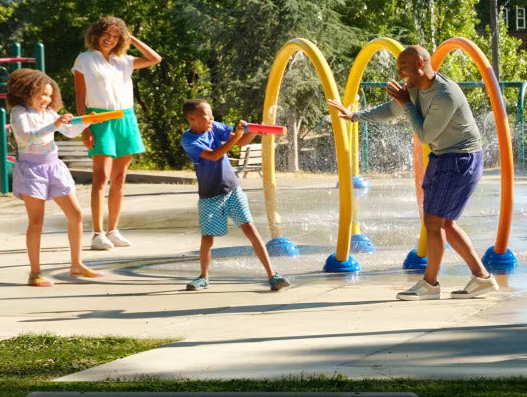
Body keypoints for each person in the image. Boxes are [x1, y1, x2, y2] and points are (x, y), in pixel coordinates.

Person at [327, 45, 497, 300]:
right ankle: (482, 278)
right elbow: (392, 110)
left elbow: (426, 135)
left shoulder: (445, 95)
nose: (399, 72)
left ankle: (430, 284)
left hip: (461, 159)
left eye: (403, 66)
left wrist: (406, 103)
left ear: (419, 62)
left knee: (434, 222)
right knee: (445, 224)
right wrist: (354, 116)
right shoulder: (415, 88)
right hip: (444, 158)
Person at [179, 99, 292, 293]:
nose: (212, 118)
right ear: (192, 118)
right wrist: (236, 137)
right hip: (210, 196)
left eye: (211, 114)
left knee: (250, 229)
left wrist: (254, 130)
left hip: (232, 189)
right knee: (207, 238)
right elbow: (214, 155)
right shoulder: (189, 141)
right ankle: (203, 277)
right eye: (207, 115)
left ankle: (273, 275)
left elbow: (241, 142)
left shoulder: (214, 126)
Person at [5, 68, 102, 287]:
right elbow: (28, 138)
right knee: (36, 222)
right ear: (26, 92)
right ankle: (35, 273)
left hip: (53, 166)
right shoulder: (19, 112)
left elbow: (69, 131)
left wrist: (87, 121)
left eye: (49, 95)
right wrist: (55, 125)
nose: (46, 100)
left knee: (75, 214)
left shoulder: (49, 113)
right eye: (41, 95)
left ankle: (76, 265)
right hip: (31, 169)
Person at [73, 15, 162, 250]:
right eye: (106, 35)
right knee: (101, 177)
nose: (110, 40)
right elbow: (80, 96)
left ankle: (113, 230)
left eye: (115, 37)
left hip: (126, 119)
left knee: (120, 179)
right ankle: (97, 234)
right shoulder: (85, 59)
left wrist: (130, 38)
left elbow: (155, 59)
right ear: (96, 34)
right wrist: (85, 127)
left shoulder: (124, 60)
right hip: (99, 119)